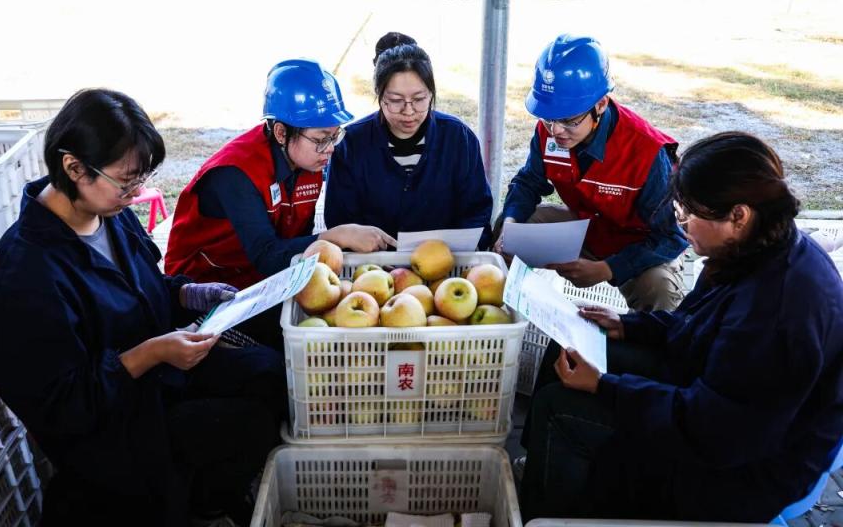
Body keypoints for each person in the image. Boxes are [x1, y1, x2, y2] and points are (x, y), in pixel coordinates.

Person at [0, 89, 287, 526]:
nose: (138, 192)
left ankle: (205, 492)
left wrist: (186, 293)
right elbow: (64, 405)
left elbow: (143, 288)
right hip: (111, 426)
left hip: (157, 376)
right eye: (127, 181)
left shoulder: (108, 210)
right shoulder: (23, 277)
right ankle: (188, 502)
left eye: (141, 177)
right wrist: (150, 354)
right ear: (74, 167)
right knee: (246, 423)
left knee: (270, 373)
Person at [519, 132, 843, 523]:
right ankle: (540, 465)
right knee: (566, 347)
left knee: (561, 409)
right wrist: (628, 326)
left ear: (738, 216)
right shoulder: (755, 249)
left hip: (742, 468)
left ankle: (551, 510)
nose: (682, 222)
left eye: (690, 211)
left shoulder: (779, 311)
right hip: (709, 394)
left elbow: (714, 428)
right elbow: (695, 325)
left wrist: (604, 387)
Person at [164, 59, 394, 342]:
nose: (330, 149)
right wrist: (337, 236)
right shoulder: (236, 174)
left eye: (336, 136)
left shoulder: (308, 162)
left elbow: (294, 241)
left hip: (262, 283)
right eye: (321, 139)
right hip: (206, 291)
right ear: (281, 133)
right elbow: (266, 256)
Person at [494, 34, 687, 311]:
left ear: (601, 105)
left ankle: (643, 349)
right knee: (509, 236)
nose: (556, 131)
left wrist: (607, 269)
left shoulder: (647, 152)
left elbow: (670, 237)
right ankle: (505, 320)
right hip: (586, 227)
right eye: (548, 118)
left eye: (569, 120)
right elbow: (528, 182)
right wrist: (510, 223)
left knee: (659, 290)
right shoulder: (548, 132)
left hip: (639, 243)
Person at [325, 35, 493, 249]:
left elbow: (476, 213)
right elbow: (340, 223)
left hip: (445, 267)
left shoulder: (459, 139)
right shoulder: (351, 145)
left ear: (431, 93)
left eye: (419, 99)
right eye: (395, 101)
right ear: (379, 94)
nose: (409, 111)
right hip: (372, 271)